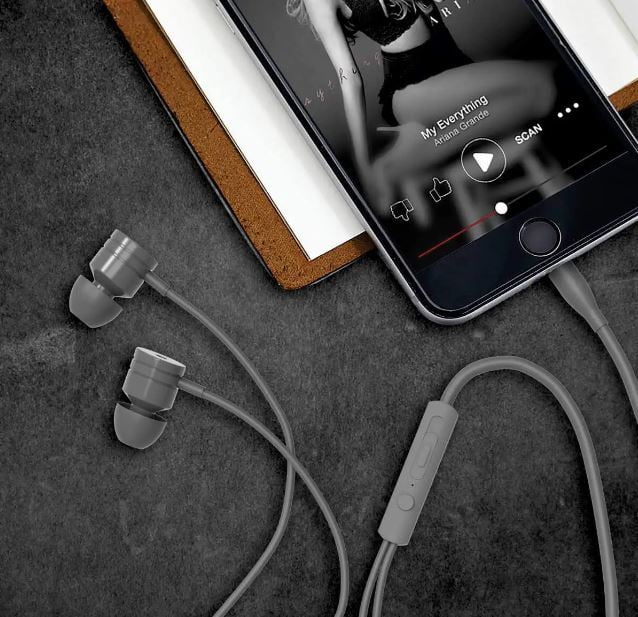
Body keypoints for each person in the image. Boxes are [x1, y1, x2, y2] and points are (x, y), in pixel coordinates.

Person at [287, 0, 556, 209]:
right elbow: (349, 79)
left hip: (452, 64)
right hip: (411, 86)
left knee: (540, 93)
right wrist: (363, 165)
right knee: (541, 85)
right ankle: (393, 167)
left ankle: (421, 157)